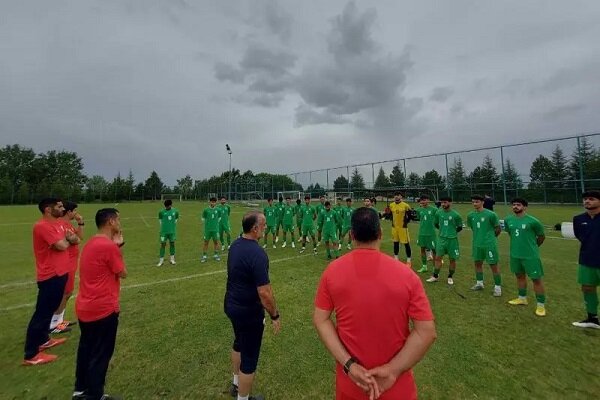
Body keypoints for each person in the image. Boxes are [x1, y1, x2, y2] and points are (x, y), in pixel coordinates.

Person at [313, 207, 436, 400]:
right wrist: (393, 371)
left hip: (351, 386)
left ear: (352, 235)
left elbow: (321, 320)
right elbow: (426, 331)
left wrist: (349, 365)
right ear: (380, 233)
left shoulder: (332, 272)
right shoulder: (407, 276)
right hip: (397, 389)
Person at [224, 211, 281, 400]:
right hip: (248, 312)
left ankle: (236, 384)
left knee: (238, 343)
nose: (266, 227)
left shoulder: (235, 244)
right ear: (255, 229)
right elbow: (265, 293)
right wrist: (274, 315)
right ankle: (242, 397)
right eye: (263, 225)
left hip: (232, 306)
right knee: (249, 358)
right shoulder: (257, 254)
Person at [73, 208, 126, 400]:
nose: (120, 223)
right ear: (110, 222)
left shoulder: (92, 242)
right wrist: (118, 246)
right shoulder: (108, 246)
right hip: (102, 309)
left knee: (86, 349)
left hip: (85, 306)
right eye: (118, 219)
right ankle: (95, 395)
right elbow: (122, 272)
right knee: (101, 355)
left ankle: (80, 390)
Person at [23, 198, 80, 366]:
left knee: (49, 311)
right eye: (59, 206)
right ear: (48, 209)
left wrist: (68, 239)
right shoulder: (42, 226)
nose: (62, 209)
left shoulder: (59, 224)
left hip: (61, 273)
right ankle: (31, 354)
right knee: (41, 314)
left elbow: (75, 240)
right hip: (50, 276)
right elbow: (62, 245)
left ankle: (44, 340)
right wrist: (68, 239)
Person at [504, 198, 547, 317]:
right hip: (515, 254)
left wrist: (533, 247)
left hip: (530, 256)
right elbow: (510, 233)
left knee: (536, 279)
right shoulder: (508, 220)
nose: (515, 207)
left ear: (525, 207)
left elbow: (541, 237)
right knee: (519, 276)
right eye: (513, 205)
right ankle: (522, 298)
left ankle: (541, 306)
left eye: (518, 205)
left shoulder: (533, 221)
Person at [50, 201, 85, 333]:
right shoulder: (61, 225)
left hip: (72, 262)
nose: (76, 213)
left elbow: (80, 237)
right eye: (75, 211)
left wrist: (80, 223)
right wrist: (74, 240)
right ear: (69, 212)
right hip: (66, 262)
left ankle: (59, 320)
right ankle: (54, 323)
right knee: (66, 292)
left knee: (67, 292)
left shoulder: (69, 224)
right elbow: (74, 240)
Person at [572, 190, 600, 329]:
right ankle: (592, 318)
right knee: (587, 288)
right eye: (585, 199)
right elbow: (580, 237)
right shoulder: (578, 219)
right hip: (586, 260)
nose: (587, 201)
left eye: (591, 199)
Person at [466, 195, 502, 296]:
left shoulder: (491, 214)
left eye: (477, 202)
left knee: (493, 265)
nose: (474, 204)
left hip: (489, 244)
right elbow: (473, 228)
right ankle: (479, 283)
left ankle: (498, 288)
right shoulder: (470, 215)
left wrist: (490, 238)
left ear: (483, 202)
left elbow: (498, 229)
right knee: (477, 263)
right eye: (473, 202)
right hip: (477, 244)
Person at [426, 197, 463, 285]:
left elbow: (460, 227)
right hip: (441, 239)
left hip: (452, 240)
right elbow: (436, 224)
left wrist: (452, 233)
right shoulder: (438, 213)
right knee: (438, 258)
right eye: (442, 202)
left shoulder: (456, 215)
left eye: (445, 202)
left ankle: (450, 277)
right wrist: (443, 231)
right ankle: (435, 276)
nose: (443, 204)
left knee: (452, 259)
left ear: (450, 203)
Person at [414, 195, 438, 274]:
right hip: (422, 233)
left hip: (431, 233)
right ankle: (424, 266)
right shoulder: (418, 210)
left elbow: (438, 219)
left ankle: (435, 267)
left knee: (434, 250)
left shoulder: (434, 210)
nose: (423, 202)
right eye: (421, 200)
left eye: (424, 200)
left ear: (428, 200)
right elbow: (417, 218)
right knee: (422, 249)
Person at [389, 193, 413, 264]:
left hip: (403, 228)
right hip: (394, 228)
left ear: (401, 197)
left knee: (406, 243)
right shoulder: (391, 205)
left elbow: (410, 215)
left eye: (398, 195)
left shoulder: (406, 205)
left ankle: (408, 260)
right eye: (395, 195)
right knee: (395, 243)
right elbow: (390, 214)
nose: (396, 196)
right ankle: (396, 258)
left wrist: (405, 223)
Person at [157, 199, 179, 266]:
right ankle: (161, 261)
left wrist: (172, 225)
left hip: (172, 231)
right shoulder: (161, 212)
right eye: (165, 206)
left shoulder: (175, 211)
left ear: (171, 205)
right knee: (163, 245)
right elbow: (160, 220)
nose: (166, 207)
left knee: (172, 244)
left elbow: (176, 218)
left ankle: (172, 259)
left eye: (168, 206)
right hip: (163, 232)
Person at [201, 197, 221, 263]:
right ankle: (204, 256)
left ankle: (216, 255)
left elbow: (219, 218)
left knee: (216, 242)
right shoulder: (206, 210)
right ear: (209, 202)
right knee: (206, 242)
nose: (213, 203)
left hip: (215, 229)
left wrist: (215, 224)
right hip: (208, 230)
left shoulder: (218, 210)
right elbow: (203, 218)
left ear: (216, 202)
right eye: (212, 202)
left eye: (214, 202)